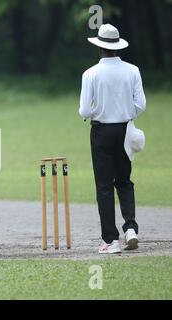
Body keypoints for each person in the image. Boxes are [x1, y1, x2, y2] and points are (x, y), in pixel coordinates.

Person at [79, 24, 146, 254]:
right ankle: (131, 229)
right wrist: (125, 112)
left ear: (99, 47)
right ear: (117, 46)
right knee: (124, 181)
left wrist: (102, 109)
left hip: (101, 132)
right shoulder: (133, 70)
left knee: (104, 186)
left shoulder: (90, 74)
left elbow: (84, 111)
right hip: (125, 130)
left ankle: (111, 240)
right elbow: (141, 105)